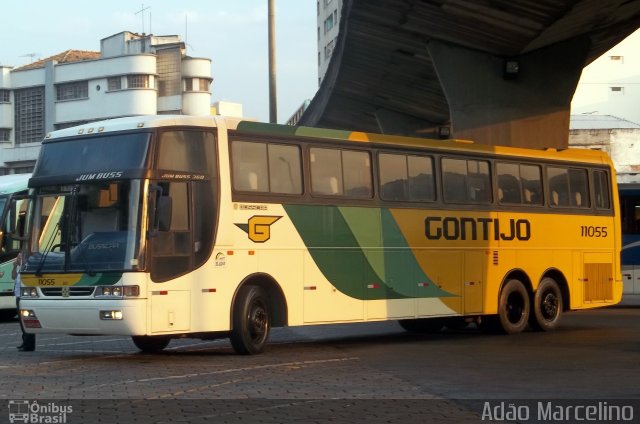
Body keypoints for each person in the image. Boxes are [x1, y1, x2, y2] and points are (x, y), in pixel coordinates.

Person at [13, 252, 35, 352]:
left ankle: (29, 345)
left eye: (19, 257)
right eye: (17, 257)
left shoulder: (28, 267)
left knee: (26, 321)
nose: (17, 259)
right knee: (22, 322)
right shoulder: (20, 268)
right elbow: (13, 277)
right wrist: (14, 267)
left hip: (24, 297)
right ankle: (25, 342)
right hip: (18, 296)